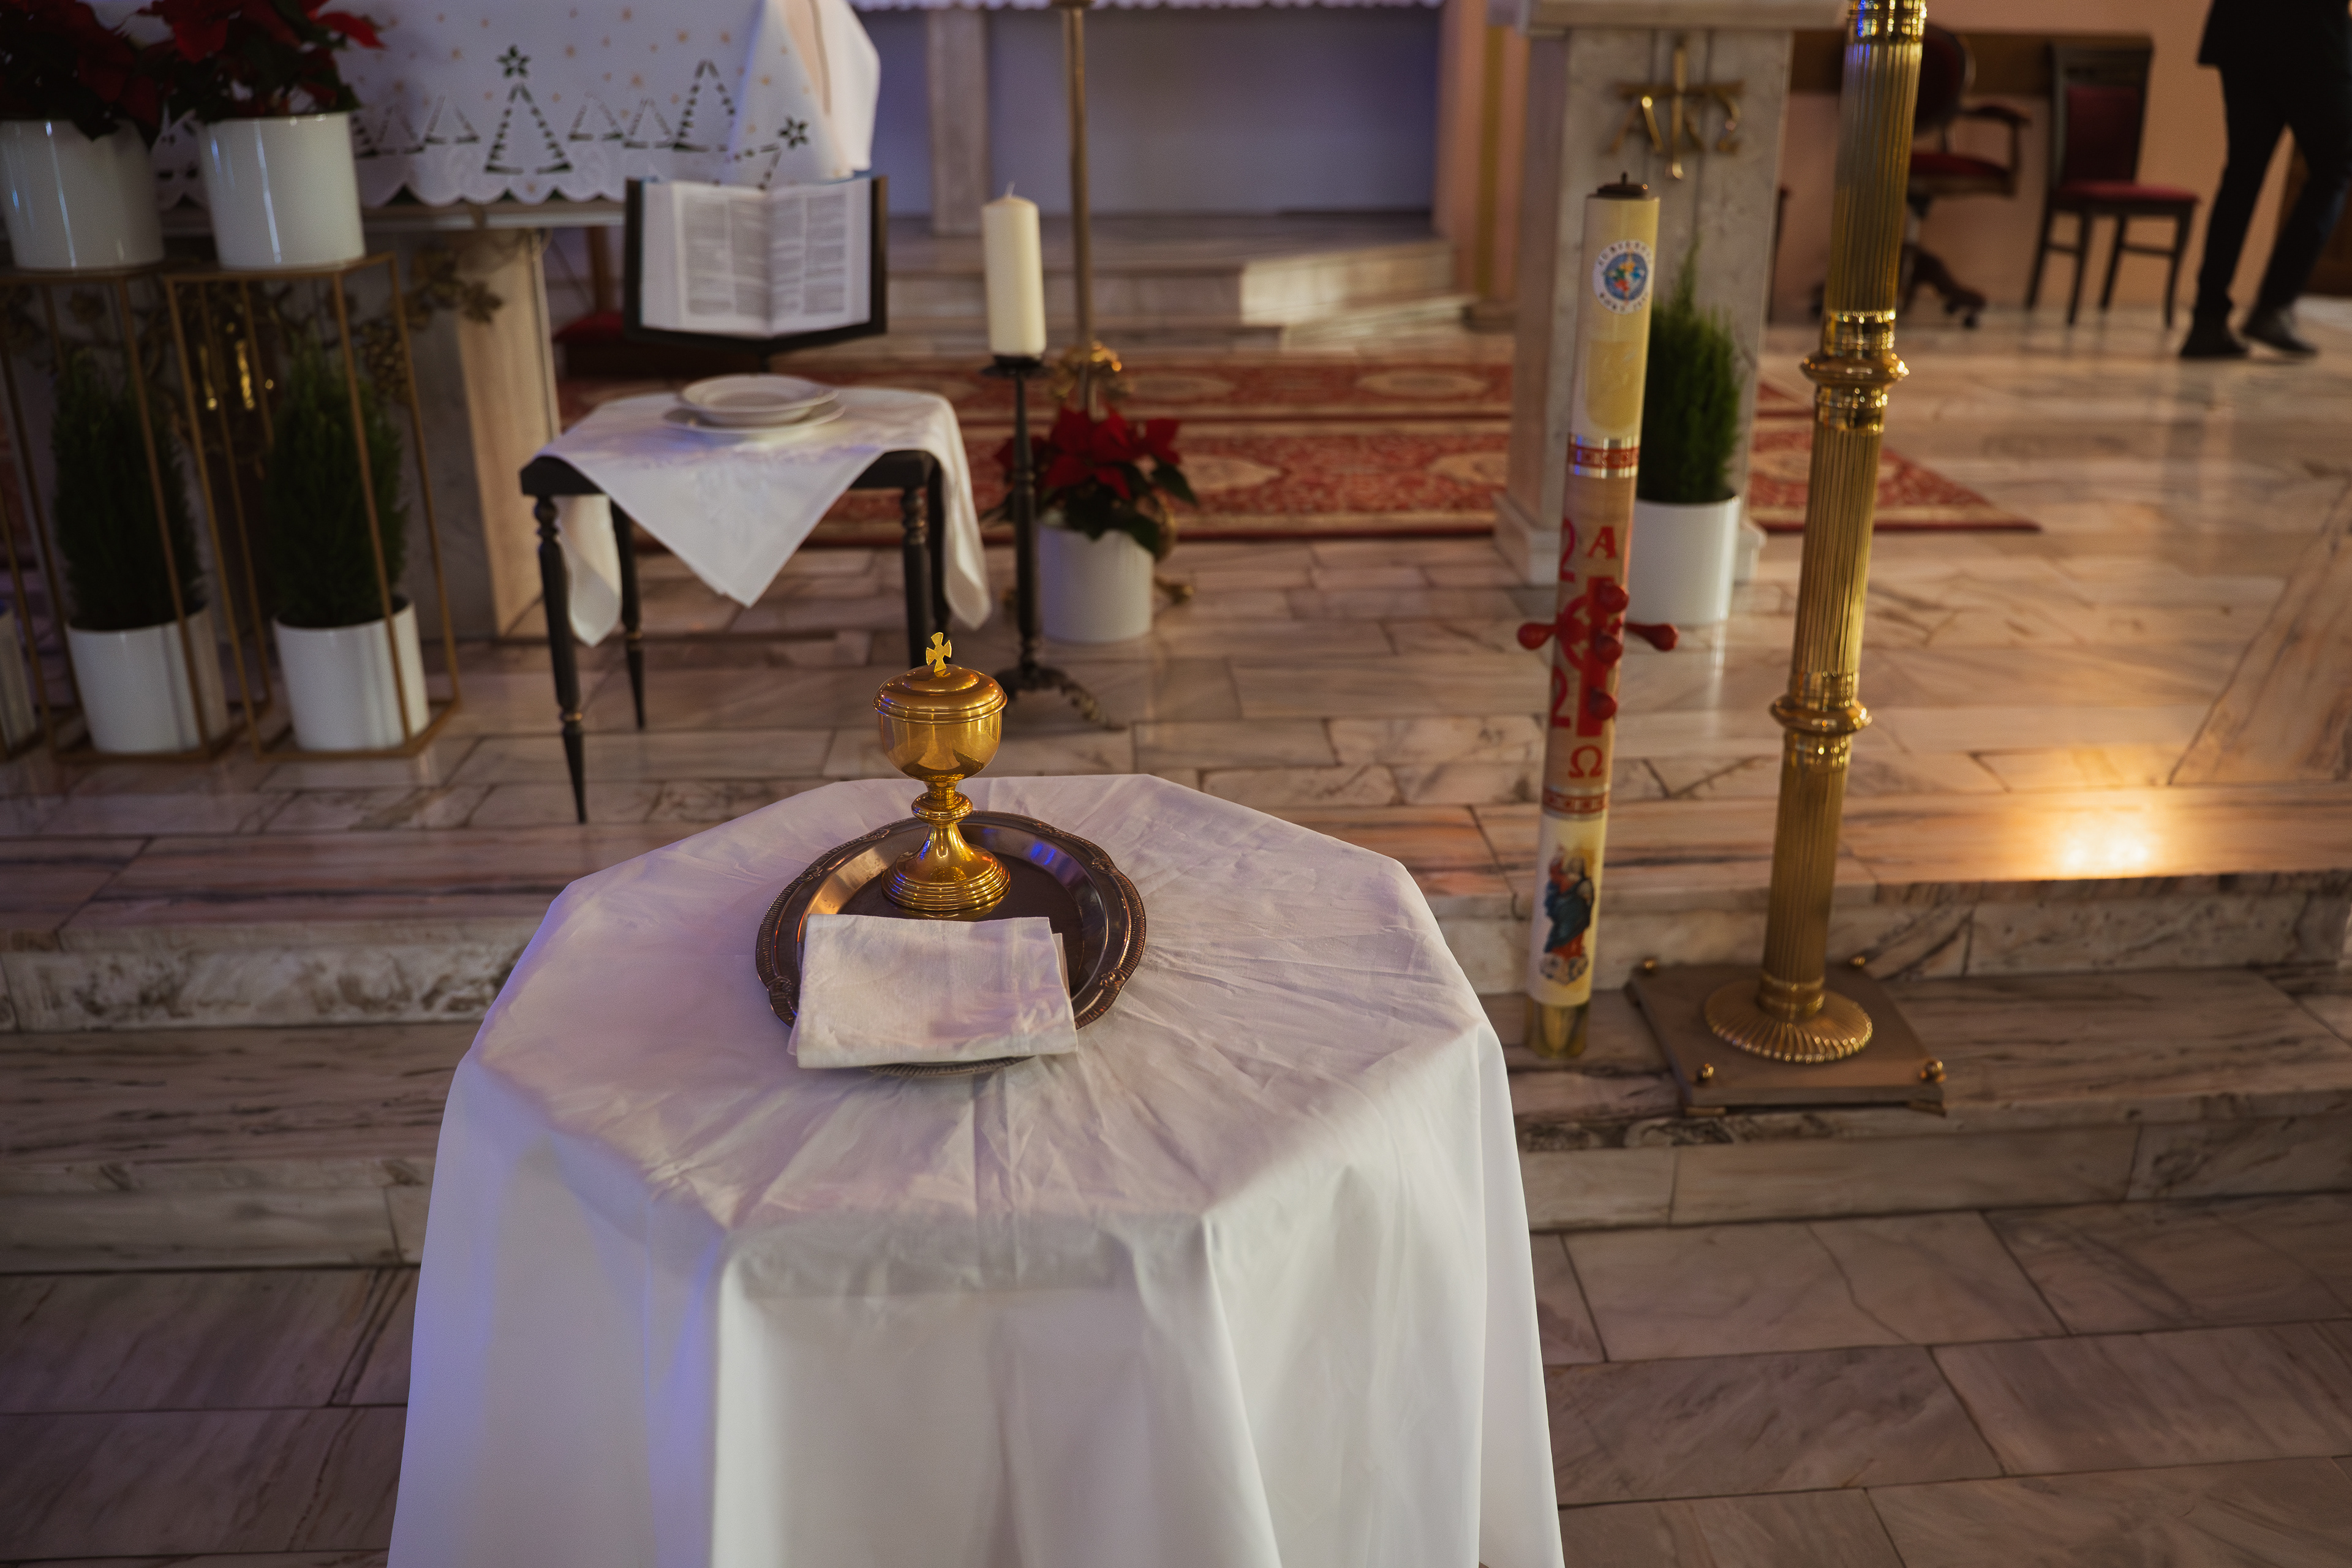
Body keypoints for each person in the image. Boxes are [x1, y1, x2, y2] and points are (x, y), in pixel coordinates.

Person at [2181, 0, 2352, 359]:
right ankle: (2274, 306)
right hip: (2313, 35)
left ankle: (2207, 319)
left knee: (2242, 173)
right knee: (2335, 167)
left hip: (2242, 28)